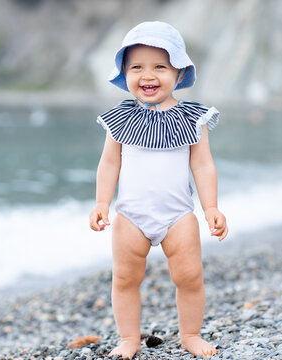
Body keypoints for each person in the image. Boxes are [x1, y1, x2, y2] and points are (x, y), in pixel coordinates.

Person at [89, 21, 228, 359]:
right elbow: (109, 164)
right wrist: (101, 203)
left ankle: (190, 334)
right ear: (124, 73)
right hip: (130, 216)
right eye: (137, 67)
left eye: (159, 67)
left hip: (178, 215)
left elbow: (203, 165)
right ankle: (129, 339)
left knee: (190, 276)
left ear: (179, 73)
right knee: (124, 279)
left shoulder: (193, 117)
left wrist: (210, 207)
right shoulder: (120, 119)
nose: (147, 75)